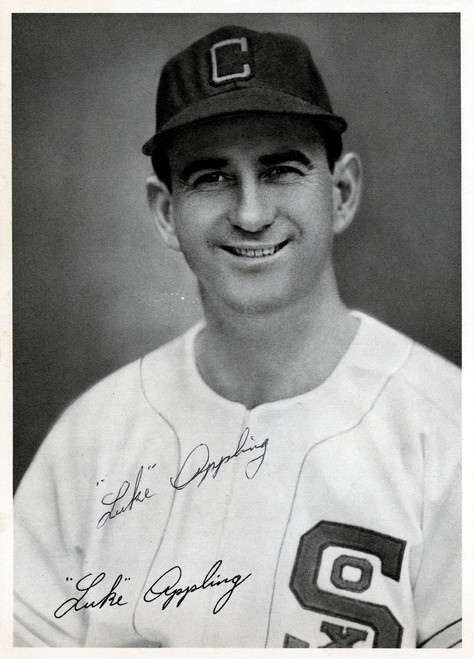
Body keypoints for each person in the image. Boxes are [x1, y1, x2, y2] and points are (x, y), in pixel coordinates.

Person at [14, 25, 461, 649]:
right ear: (167, 213)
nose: (251, 214)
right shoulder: (91, 440)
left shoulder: (448, 432)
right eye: (211, 177)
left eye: (280, 170)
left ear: (341, 193)